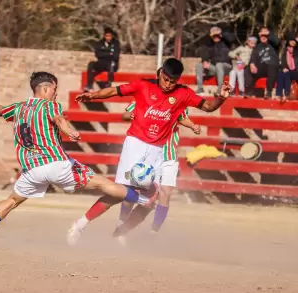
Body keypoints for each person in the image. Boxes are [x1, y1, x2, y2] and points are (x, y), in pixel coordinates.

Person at [0, 72, 156, 243]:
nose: (55, 94)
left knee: (11, 201)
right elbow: (59, 120)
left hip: (31, 171)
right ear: (45, 88)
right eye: (54, 89)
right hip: (56, 165)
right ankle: (143, 201)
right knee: (104, 184)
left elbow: (0, 110)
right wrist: (70, 131)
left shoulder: (18, 108)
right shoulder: (50, 106)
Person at [67, 58, 231, 246]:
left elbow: (209, 107)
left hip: (157, 151)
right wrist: (92, 96)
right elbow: (114, 91)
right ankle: (80, 224)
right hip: (135, 145)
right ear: (161, 73)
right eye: (166, 79)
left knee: (150, 201)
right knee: (119, 193)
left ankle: (120, 232)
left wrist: (222, 98)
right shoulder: (143, 86)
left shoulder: (183, 93)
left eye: (173, 81)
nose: (168, 84)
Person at [114, 103, 200, 244]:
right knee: (132, 192)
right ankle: (120, 226)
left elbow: (183, 118)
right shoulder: (146, 96)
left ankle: (152, 233)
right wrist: (129, 115)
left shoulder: (178, 101)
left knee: (164, 194)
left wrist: (192, 126)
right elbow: (125, 114)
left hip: (168, 156)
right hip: (147, 153)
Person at [195, 27, 234, 95]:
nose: (216, 37)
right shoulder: (210, 45)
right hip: (216, 68)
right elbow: (203, 50)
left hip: (226, 67)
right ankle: (200, 88)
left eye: (217, 35)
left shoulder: (226, 43)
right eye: (214, 36)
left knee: (219, 65)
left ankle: (220, 90)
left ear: (220, 35)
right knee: (198, 65)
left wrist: (221, 33)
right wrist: (205, 61)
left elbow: (232, 38)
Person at [244, 27, 280, 99]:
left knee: (271, 65)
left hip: (271, 69)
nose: (264, 37)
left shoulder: (273, 45)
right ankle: (249, 92)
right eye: (262, 35)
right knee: (247, 68)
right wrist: (252, 63)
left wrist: (268, 33)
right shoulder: (257, 47)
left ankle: (269, 92)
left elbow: (277, 41)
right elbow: (253, 56)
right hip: (261, 68)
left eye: (265, 35)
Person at [84, 27, 120, 92]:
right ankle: (89, 85)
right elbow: (97, 54)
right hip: (101, 62)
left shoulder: (115, 43)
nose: (108, 38)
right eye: (107, 36)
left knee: (111, 65)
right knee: (91, 64)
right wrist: (109, 53)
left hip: (111, 63)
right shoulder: (100, 43)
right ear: (104, 36)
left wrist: (104, 53)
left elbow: (115, 56)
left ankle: (108, 85)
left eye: (110, 36)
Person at [276, 35, 298, 102]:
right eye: (291, 41)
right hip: (288, 72)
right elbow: (283, 63)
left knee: (287, 73)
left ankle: (286, 94)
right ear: (288, 42)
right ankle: (279, 95)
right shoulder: (285, 51)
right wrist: (283, 68)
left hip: (296, 72)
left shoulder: (297, 51)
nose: (292, 42)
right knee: (280, 73)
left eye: (294, 41)